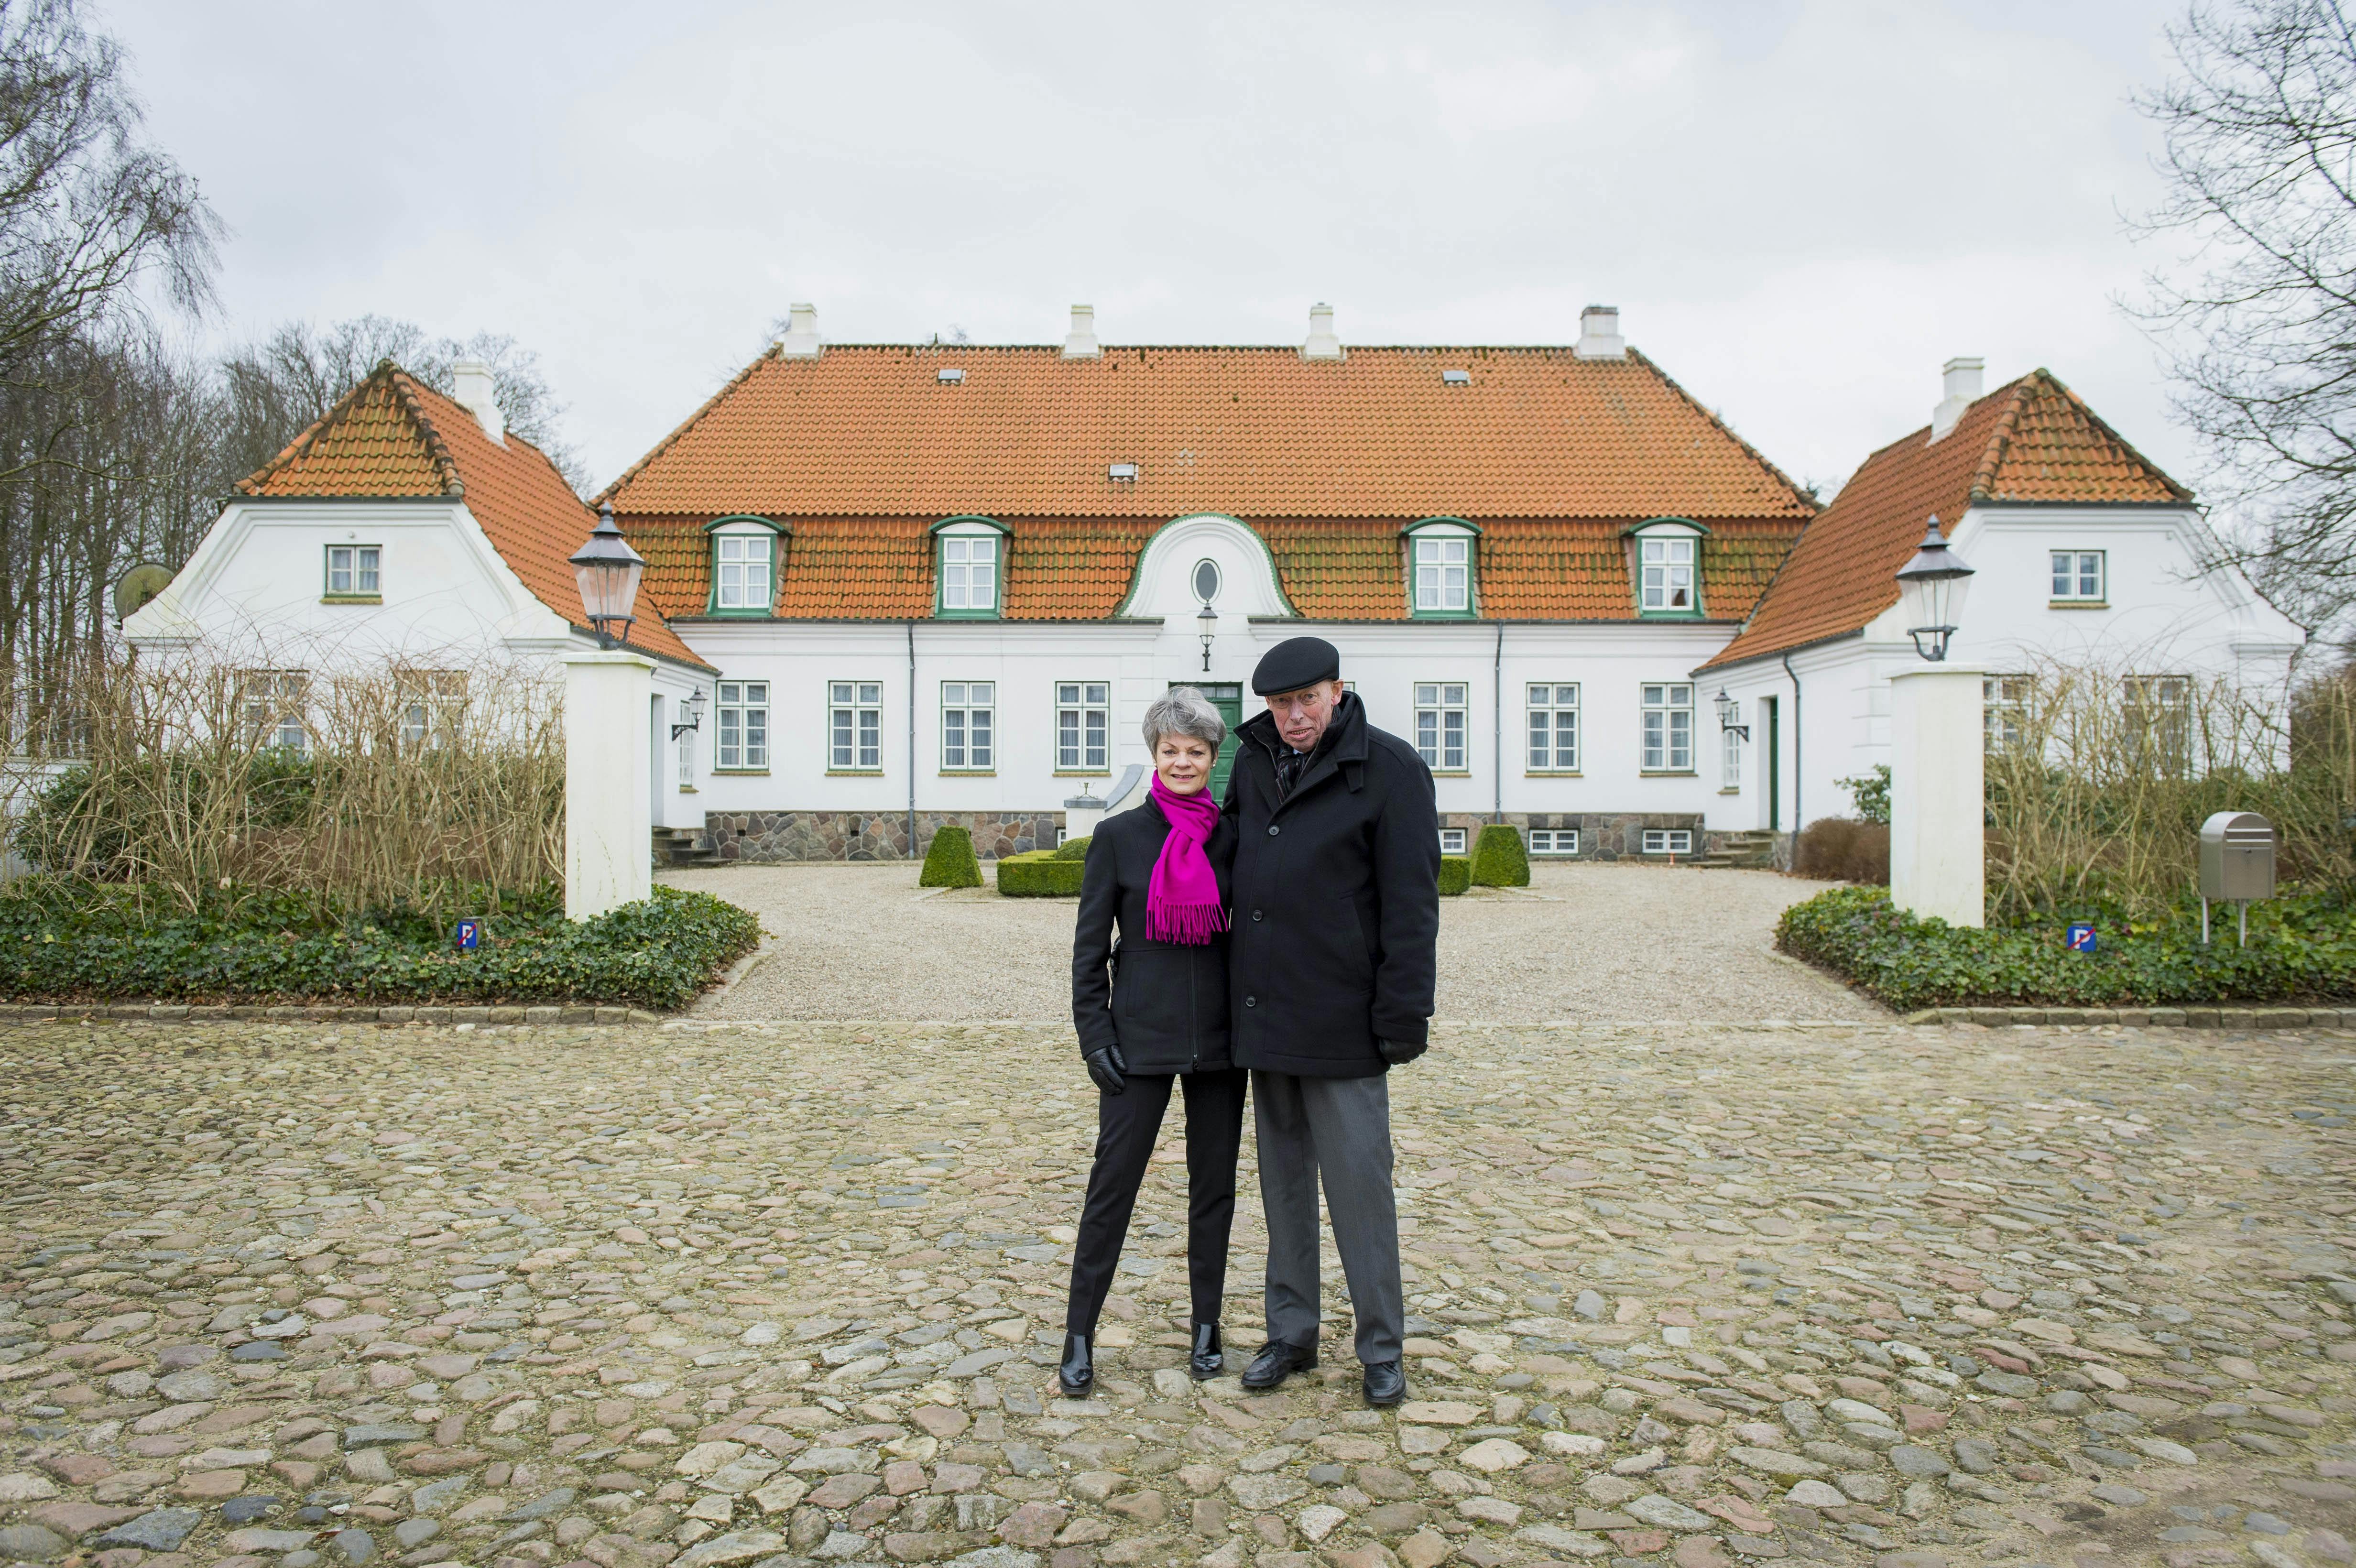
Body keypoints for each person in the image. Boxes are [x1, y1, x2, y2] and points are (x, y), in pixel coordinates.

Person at [1223, 636, 1439, 1407]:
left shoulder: (1391, 769)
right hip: (1267, 1011)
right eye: (1280, 704)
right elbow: (1231, 862)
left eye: (1306, 699)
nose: (1292, 717)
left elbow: (1413, 906)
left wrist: (1404, 1012)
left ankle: (1381, 1346)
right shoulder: (1252, 762)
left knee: (1359, 1190)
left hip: (1345, 1019)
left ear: (1338, 691)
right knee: (1283, 1188)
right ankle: (1292, 1332)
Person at [1060, 687, 1248, 1398]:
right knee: (1112, 1188)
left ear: (1212, 758)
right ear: (1153, 755)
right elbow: (1088, 952)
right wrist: (1093, 1035)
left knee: (1214, 1191)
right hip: (1136, 1043)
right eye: (1170, 750)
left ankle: (1207, 1326)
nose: (1182, 761)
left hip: (1222, 1046)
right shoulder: (1119, 840)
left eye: (1195, 752)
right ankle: (1079, 1330)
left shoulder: (1233, 838)